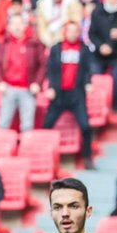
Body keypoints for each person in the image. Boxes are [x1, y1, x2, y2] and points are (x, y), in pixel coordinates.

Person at [43, 21, 94, 168]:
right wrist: (51, 87)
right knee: (47, 125)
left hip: (77, 95)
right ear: (65, 32)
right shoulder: (56, 48)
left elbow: (87, 70)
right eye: (69, 31)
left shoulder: (84, 49)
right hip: (59, 94)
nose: (72, 34)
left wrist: (88, 83)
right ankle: (47, 158)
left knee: (85, 126)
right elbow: (51, 70)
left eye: (75, 31)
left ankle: (88, 158)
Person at [0, 15, 45, 133]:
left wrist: (37, 83)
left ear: (25, 26)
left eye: (20, 24)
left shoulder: (34, 43)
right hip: (9, 88)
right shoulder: (5, 43)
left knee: (27, 126)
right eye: (14, 24)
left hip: (27, 89)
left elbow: (43, 64)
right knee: (2, 124)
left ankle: (27, 150)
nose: (17, 27)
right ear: (9, 27)